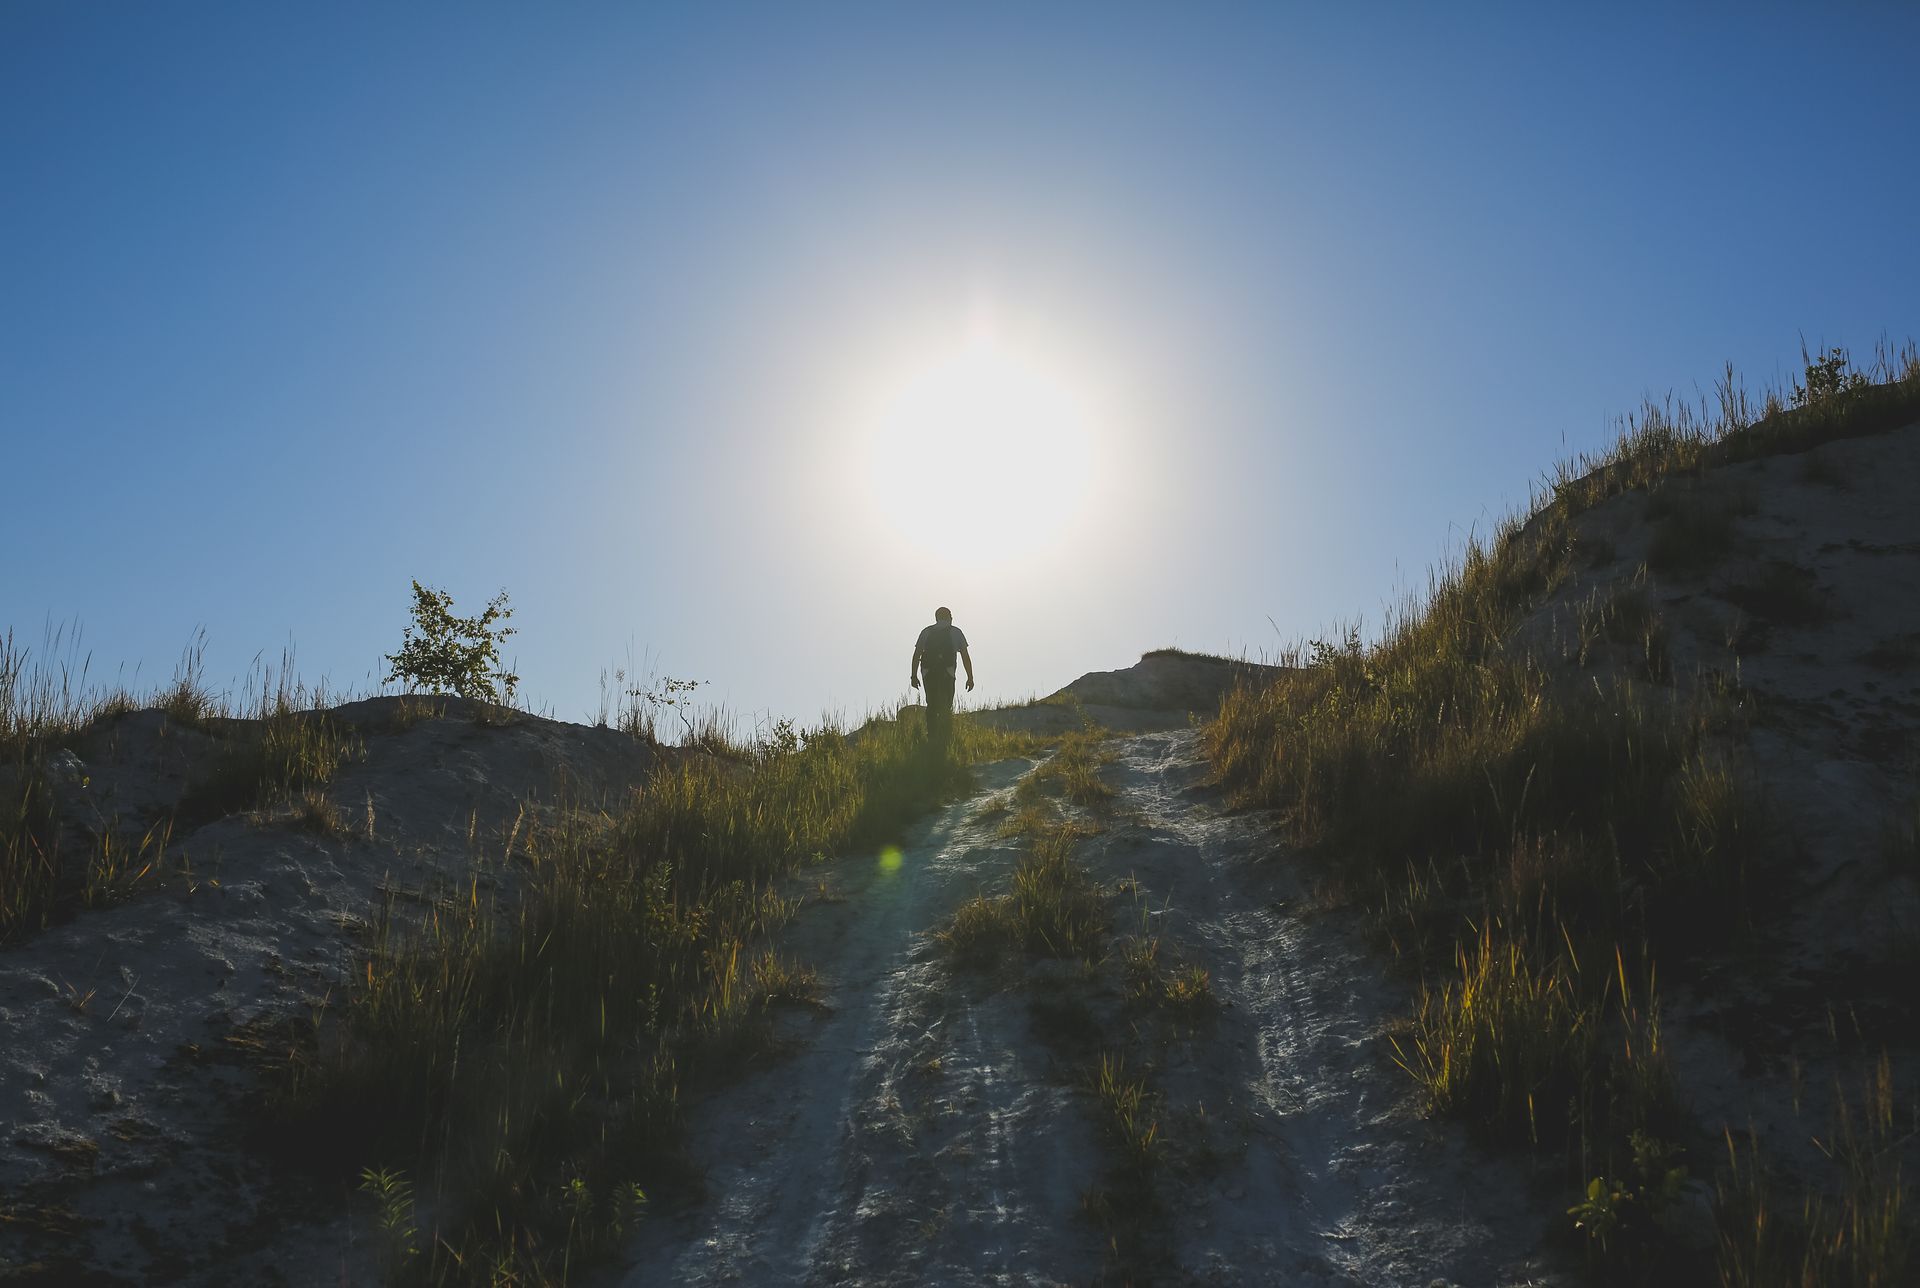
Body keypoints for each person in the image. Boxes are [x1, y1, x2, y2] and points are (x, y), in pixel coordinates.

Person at [910, 607, 973, 755]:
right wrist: (970, 677)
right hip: (947, 672)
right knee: (946, 705)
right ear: (949, 617)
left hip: (928, 672)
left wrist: (913, 676)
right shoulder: (955, 631)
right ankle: (945, 738)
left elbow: (916, 654)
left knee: (932, 704)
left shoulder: (926, 631)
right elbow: (965, 656)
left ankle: (931, 737)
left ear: (936, 617)